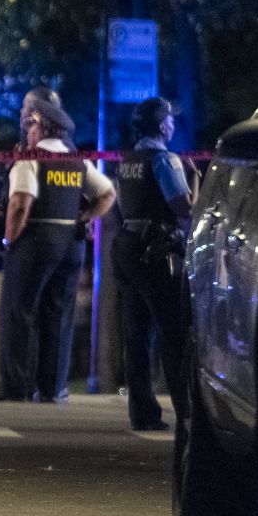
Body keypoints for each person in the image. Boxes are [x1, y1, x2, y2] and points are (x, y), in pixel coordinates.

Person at [0, 97, 115, 402]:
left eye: (30, 125)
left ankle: (15, 387)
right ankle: (53, 388)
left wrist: (8, 240)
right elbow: (107, 194)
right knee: (59, 315)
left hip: (34, 243)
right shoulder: (78, 162)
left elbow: (19, 204)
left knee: (18, 313)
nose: (27, 131)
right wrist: (83, 217)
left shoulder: (31, 160)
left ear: (41, 128)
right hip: (71, 246)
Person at [114, 96, 195, 431]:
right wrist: (196, 181)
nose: (173, 124)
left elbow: (123, 203)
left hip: (128, 245)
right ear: (163, 126)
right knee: (172, 330)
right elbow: (183, 207)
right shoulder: (165, 159)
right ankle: (188, 412)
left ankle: (142, 412)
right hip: (155, 249)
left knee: (136, 334)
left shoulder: (128, 158)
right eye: (170, 120)